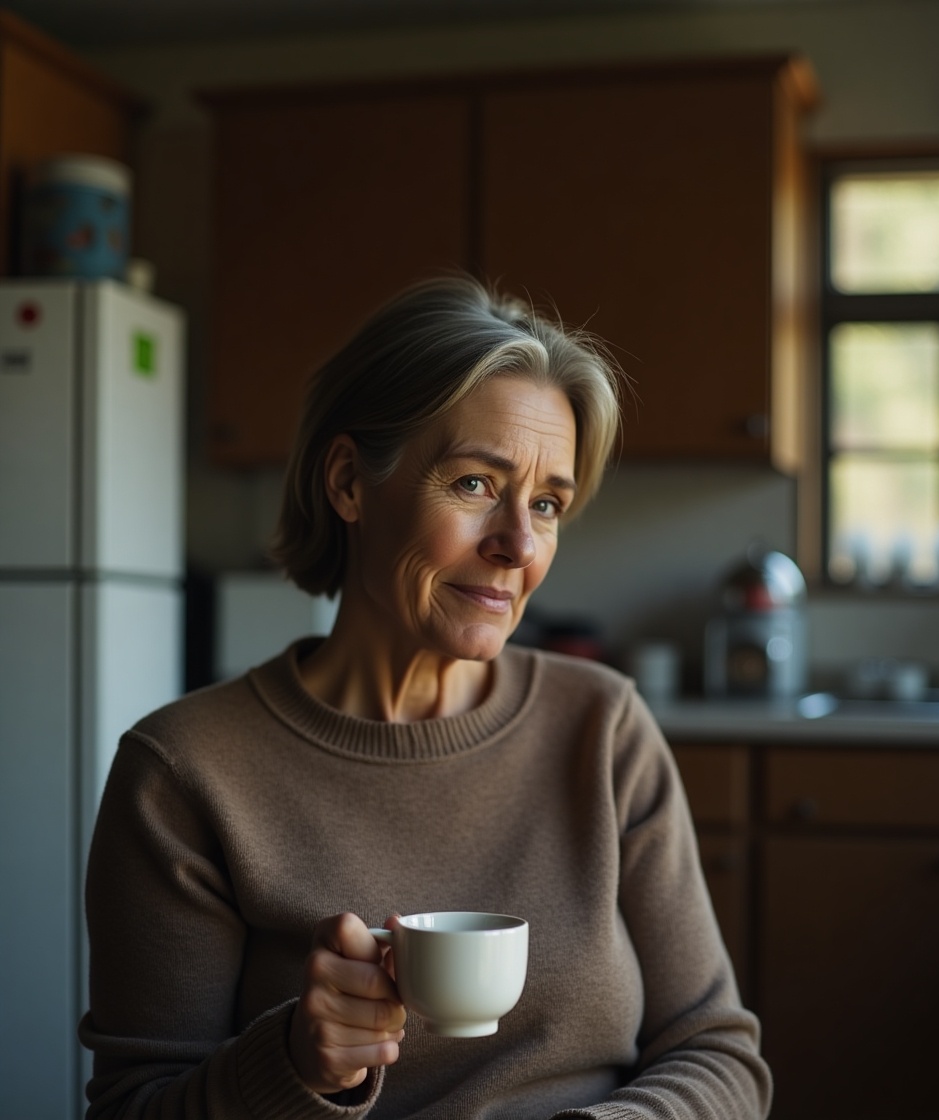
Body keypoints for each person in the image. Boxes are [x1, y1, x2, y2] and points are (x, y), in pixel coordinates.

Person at [80, 275, 772, 1119]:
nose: (519, 545)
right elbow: (134, 1108)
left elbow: (718, 1054)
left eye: (546, 504)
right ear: (348, 482)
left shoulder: (604, 728)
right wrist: (294, 1064)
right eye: (475, 484)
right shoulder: (185, 774)